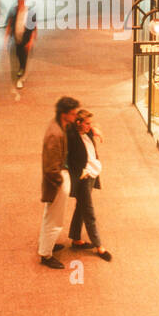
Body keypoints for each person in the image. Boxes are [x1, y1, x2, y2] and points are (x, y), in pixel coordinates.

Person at [39, 96, 80, 268]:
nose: (75, 116)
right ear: (65, 114)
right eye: (73, 113)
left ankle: (46, 245)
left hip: (60, 177)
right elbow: (50, 168)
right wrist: (60, 182)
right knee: (55, 219)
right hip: (58, 181)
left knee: (50, 216)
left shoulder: (61, 125)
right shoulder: (55, 134)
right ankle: (46, 255)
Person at [67, 109, 111, 261]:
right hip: (83, 177)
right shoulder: (72, 137)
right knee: (88, 211)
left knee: (81, 206)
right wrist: (80, 172)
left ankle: (75, 238)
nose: (89, 126)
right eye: (87, 124)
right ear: (78, 123)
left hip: (91, 173)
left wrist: (93, 128)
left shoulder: (87, 132)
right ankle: (99, 246)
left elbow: (89, 127)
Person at [4, 0, 38, 89]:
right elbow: (9, 24)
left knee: (23, 60)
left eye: (22, 1)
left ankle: (20, 79)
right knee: (17, 57)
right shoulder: (14, 11)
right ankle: (19, 73)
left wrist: (31, 41)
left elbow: (34, 27)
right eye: (19, 1)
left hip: (26, 41)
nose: (20, 3)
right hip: (16, 39)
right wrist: (6, 39)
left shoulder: (30, 12)